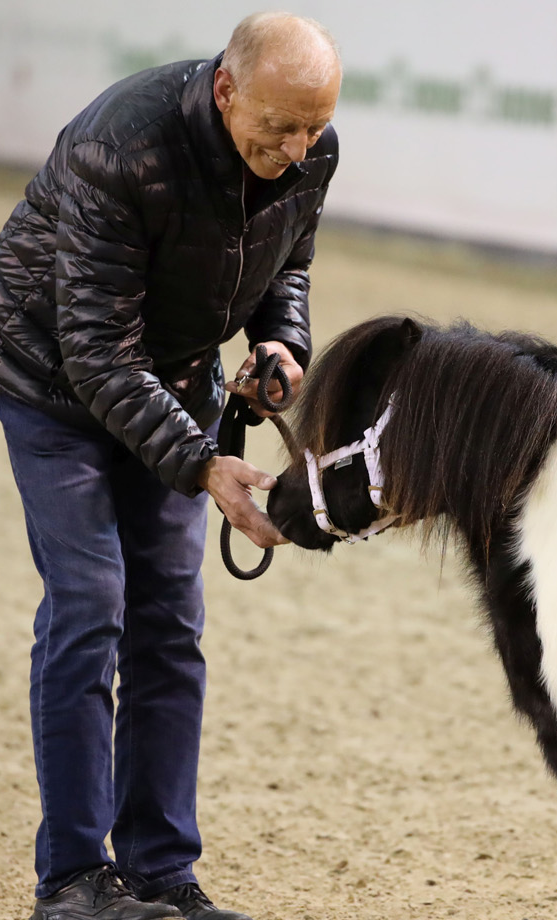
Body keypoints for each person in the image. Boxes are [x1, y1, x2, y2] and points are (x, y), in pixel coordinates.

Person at [0, 11, 341, 920]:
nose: (299, 150)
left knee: (171, 619)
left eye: (315, 128)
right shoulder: (123, 145)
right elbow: (97, 356)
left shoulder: (309, 148)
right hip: (50, 380)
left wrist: (280, 345)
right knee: (90, 603)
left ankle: (160, 874)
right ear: (227, 92)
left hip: (175, 377)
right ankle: (72, 881)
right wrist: (203, 466)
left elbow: (288, 264)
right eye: (281, 129)